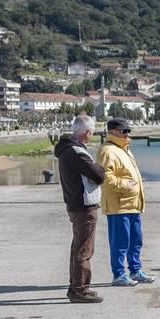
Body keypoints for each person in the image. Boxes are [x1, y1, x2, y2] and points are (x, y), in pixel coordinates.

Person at [54, 115, 106, 304]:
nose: (92, 135)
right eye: (91, 132)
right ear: (86, 133)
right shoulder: (77, 152)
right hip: (84, 205)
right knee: (84, 249)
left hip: (74, 204)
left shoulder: (66, 150)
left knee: (78, 247)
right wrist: (100, 169)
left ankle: (76, 286)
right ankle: (80, 289)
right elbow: (98, 175)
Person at [98, 118, 154, 286]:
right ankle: (119, 274)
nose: (127, 134)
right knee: (120, 242)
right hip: (118, 205)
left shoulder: (124, 149)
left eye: (129, 131)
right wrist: (127, 185)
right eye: (124, 131)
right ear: (113, 132)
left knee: (136, 241)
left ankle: (135, 271)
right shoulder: (107, 151)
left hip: (133, 203)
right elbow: (105, 178)